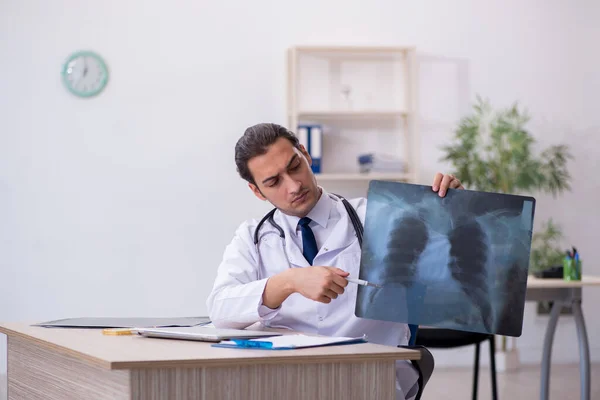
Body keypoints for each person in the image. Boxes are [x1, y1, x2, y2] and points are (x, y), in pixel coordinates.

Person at [206, 123, 464, 400]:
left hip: (370, 380)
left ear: (305, 154)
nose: (293, 186)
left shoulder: (380, 216)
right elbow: (220, 309)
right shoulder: (252, 237)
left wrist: (458, 213)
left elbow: (455, 271)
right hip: (286, 382)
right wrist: (289, 282)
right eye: (273, 182)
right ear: (257, 191)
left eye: (295, 166)